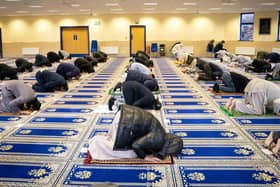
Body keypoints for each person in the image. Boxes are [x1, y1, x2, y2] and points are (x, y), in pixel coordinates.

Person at [87, 104, 183, 161]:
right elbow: (136, 145)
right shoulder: (159, 138)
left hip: (123, 113)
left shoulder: (160, 130)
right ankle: (97, 143)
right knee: (132, 154)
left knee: (115, 140)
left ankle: (100, 141)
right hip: (124, 123)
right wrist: (145, 157)